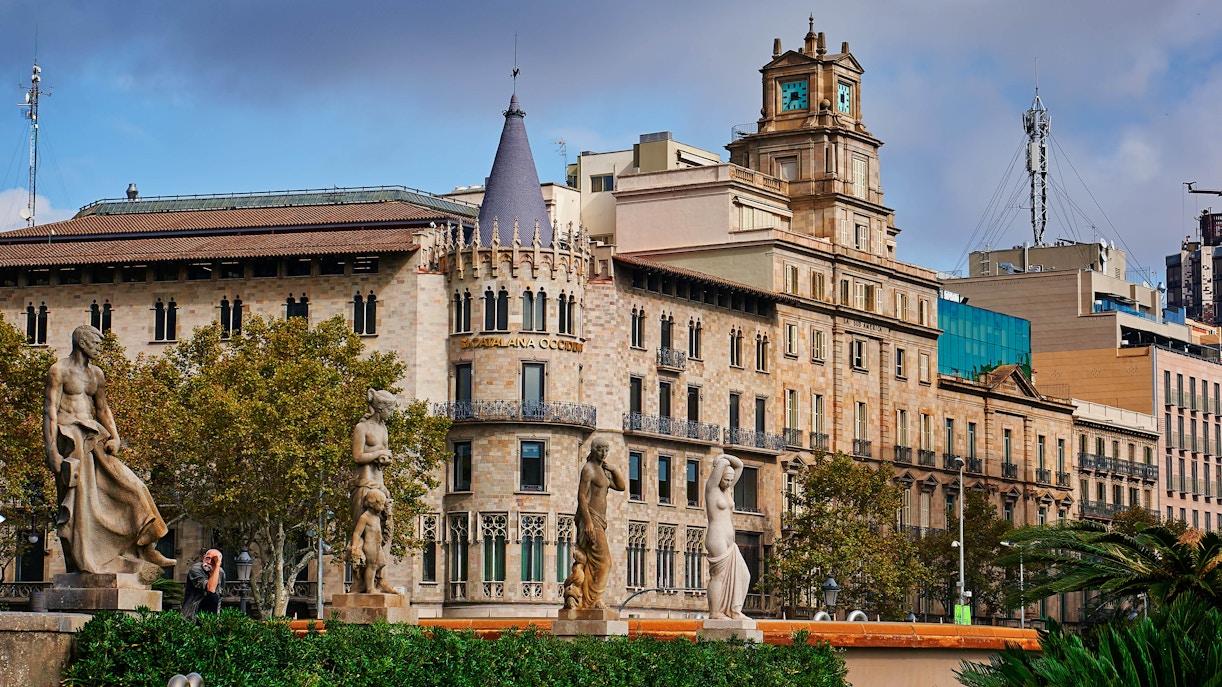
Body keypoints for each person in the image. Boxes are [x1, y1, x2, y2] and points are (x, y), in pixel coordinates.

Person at [43, 325, 174, 579]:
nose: (99, 348)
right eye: (95, 342)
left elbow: (103, 409)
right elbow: (49, 411)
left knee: (134, 488)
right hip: (71, 441)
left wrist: (116, 437)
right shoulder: (59, 371)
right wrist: (53, 454)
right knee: (82, 506)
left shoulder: (96, 375)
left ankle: (146, 545)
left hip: (96, 439)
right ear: (82, 343)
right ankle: (86, 560)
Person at [561, 437, 625, 610]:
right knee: (604, 562)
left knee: (593, 562)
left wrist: (614, 468)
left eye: (606, 450)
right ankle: (593, 600)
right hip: (592, 519)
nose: (603, 453)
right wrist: (587, 521)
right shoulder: (588, 469)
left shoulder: (602, 470)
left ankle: (588, 599)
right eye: (600, 450)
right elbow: (581, 496)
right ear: (593, 449)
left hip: (600, 521)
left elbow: (621, 486)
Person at [348, 389, 397, 593]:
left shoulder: (383, 429)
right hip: (365, 483)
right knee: (364, 532)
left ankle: (381, 578)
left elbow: (382, 453)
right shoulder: (362, 427)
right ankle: (360, 580)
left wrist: (385, 457)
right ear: (381, 408)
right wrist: (378, 453)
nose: (392, 414)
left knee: (385, 532)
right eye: (391, 410)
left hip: (380, 484)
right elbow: (358, 456)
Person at [704, 453, 751, 620]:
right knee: (719, 576)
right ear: (720, 476)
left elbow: (740, 465)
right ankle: (715, 613)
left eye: (731, 480)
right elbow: (721, 467)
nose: (729, 483)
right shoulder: (711, 488)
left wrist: (725, 455)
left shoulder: (728, 490)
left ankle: (734, 610)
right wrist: (721, 460)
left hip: (730, 540)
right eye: (726, 479)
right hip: (716, 537)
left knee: (744, 575)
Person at [348, 490, 395, 595]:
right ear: (372, 503)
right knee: (372, 566)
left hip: (377, 545)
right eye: (381, 504)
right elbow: (357, 533)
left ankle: (373, 581)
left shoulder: (377, 517)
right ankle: (370, 588)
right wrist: (354, 547)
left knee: (381, 563)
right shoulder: (364, 517)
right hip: (370, 546)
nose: (382, 507)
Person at [182, 549, 226, 622]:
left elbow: (219, 595)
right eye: (207, 558)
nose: (209, 562)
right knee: (212, 596)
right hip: (193, 613)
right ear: (203, 557)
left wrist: (218, 618)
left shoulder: (221, 573)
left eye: (213, 560)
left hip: (210, 613)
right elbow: (210, 589)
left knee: (214, 597)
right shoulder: (196, 569)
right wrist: (217, 565)